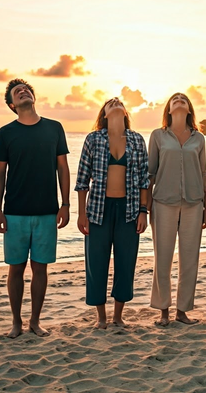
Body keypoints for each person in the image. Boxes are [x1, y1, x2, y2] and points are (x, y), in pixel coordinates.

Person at [0, 78, 70, 338]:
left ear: (33, 97)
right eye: (17, 92)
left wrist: (66, 204)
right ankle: (16, 322)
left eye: (26, 89)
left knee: (40, 269)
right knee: (16, 268)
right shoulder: (6, 132)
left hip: (47, 211)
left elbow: (62, 168)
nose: (23, 92)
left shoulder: (54, 128)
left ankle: (35, 321)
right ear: (12, 104)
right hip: (14, 212)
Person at [75, 98, 149, 329]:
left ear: (125, 112)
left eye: (119, 102)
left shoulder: (137, 139)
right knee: (96, 264)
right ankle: (101, 318)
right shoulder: (94, 139)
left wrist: (143, 211)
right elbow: (82, 179)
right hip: (98, 210)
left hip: (129, 210)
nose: (115, 103)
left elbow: (145, 179)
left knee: (126, 263)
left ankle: (118, 316)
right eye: (110, 103)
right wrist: (81, 213)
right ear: (104, 114)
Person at [147, 93, 206, 326]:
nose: (180, 99)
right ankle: (163, 311)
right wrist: (145, 207)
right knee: (162, 258)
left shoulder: (199, 138)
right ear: (169, 109)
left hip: (194, 203)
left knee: (189, 259)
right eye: (176, 99)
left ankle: (182, 311)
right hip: (163, 202)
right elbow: (150, 174)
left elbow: (203, 173)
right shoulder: (157, 136)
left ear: (189, 108)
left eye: (184, 98)